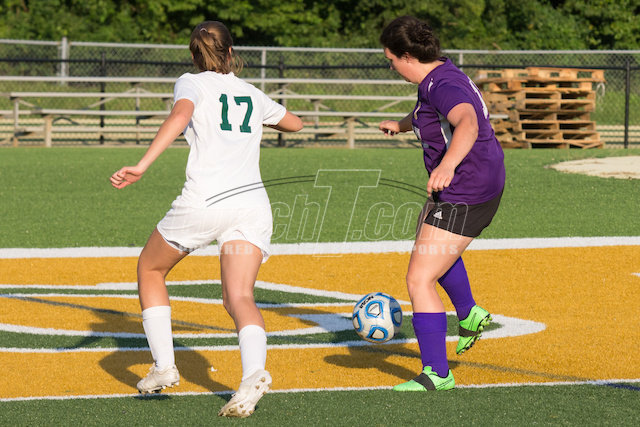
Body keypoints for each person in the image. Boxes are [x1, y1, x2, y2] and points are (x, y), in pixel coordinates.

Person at [110, 20, 303, 417]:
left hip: (205, 201)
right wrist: (262, 116)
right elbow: (295, 123)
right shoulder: (251, 92)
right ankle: (253, 375)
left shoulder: (191, 83)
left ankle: (164, 366)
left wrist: (142, 165)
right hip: (251, 205)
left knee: (150, 269)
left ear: (194, 57)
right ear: (231, 52)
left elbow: (180, 116)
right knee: (240, 297)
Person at [378, 16, 505, 391]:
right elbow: (428, 113)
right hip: (469, 182)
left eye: (391, 60)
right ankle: (469, 313)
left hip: (467, 186)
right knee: (428, 244)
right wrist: (400, 125)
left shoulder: (444, 84)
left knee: (419, 279)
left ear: (407, 56)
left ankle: (438, 373)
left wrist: (447, 165)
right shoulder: (437, 77)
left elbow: (467, 123)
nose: (391, 67)